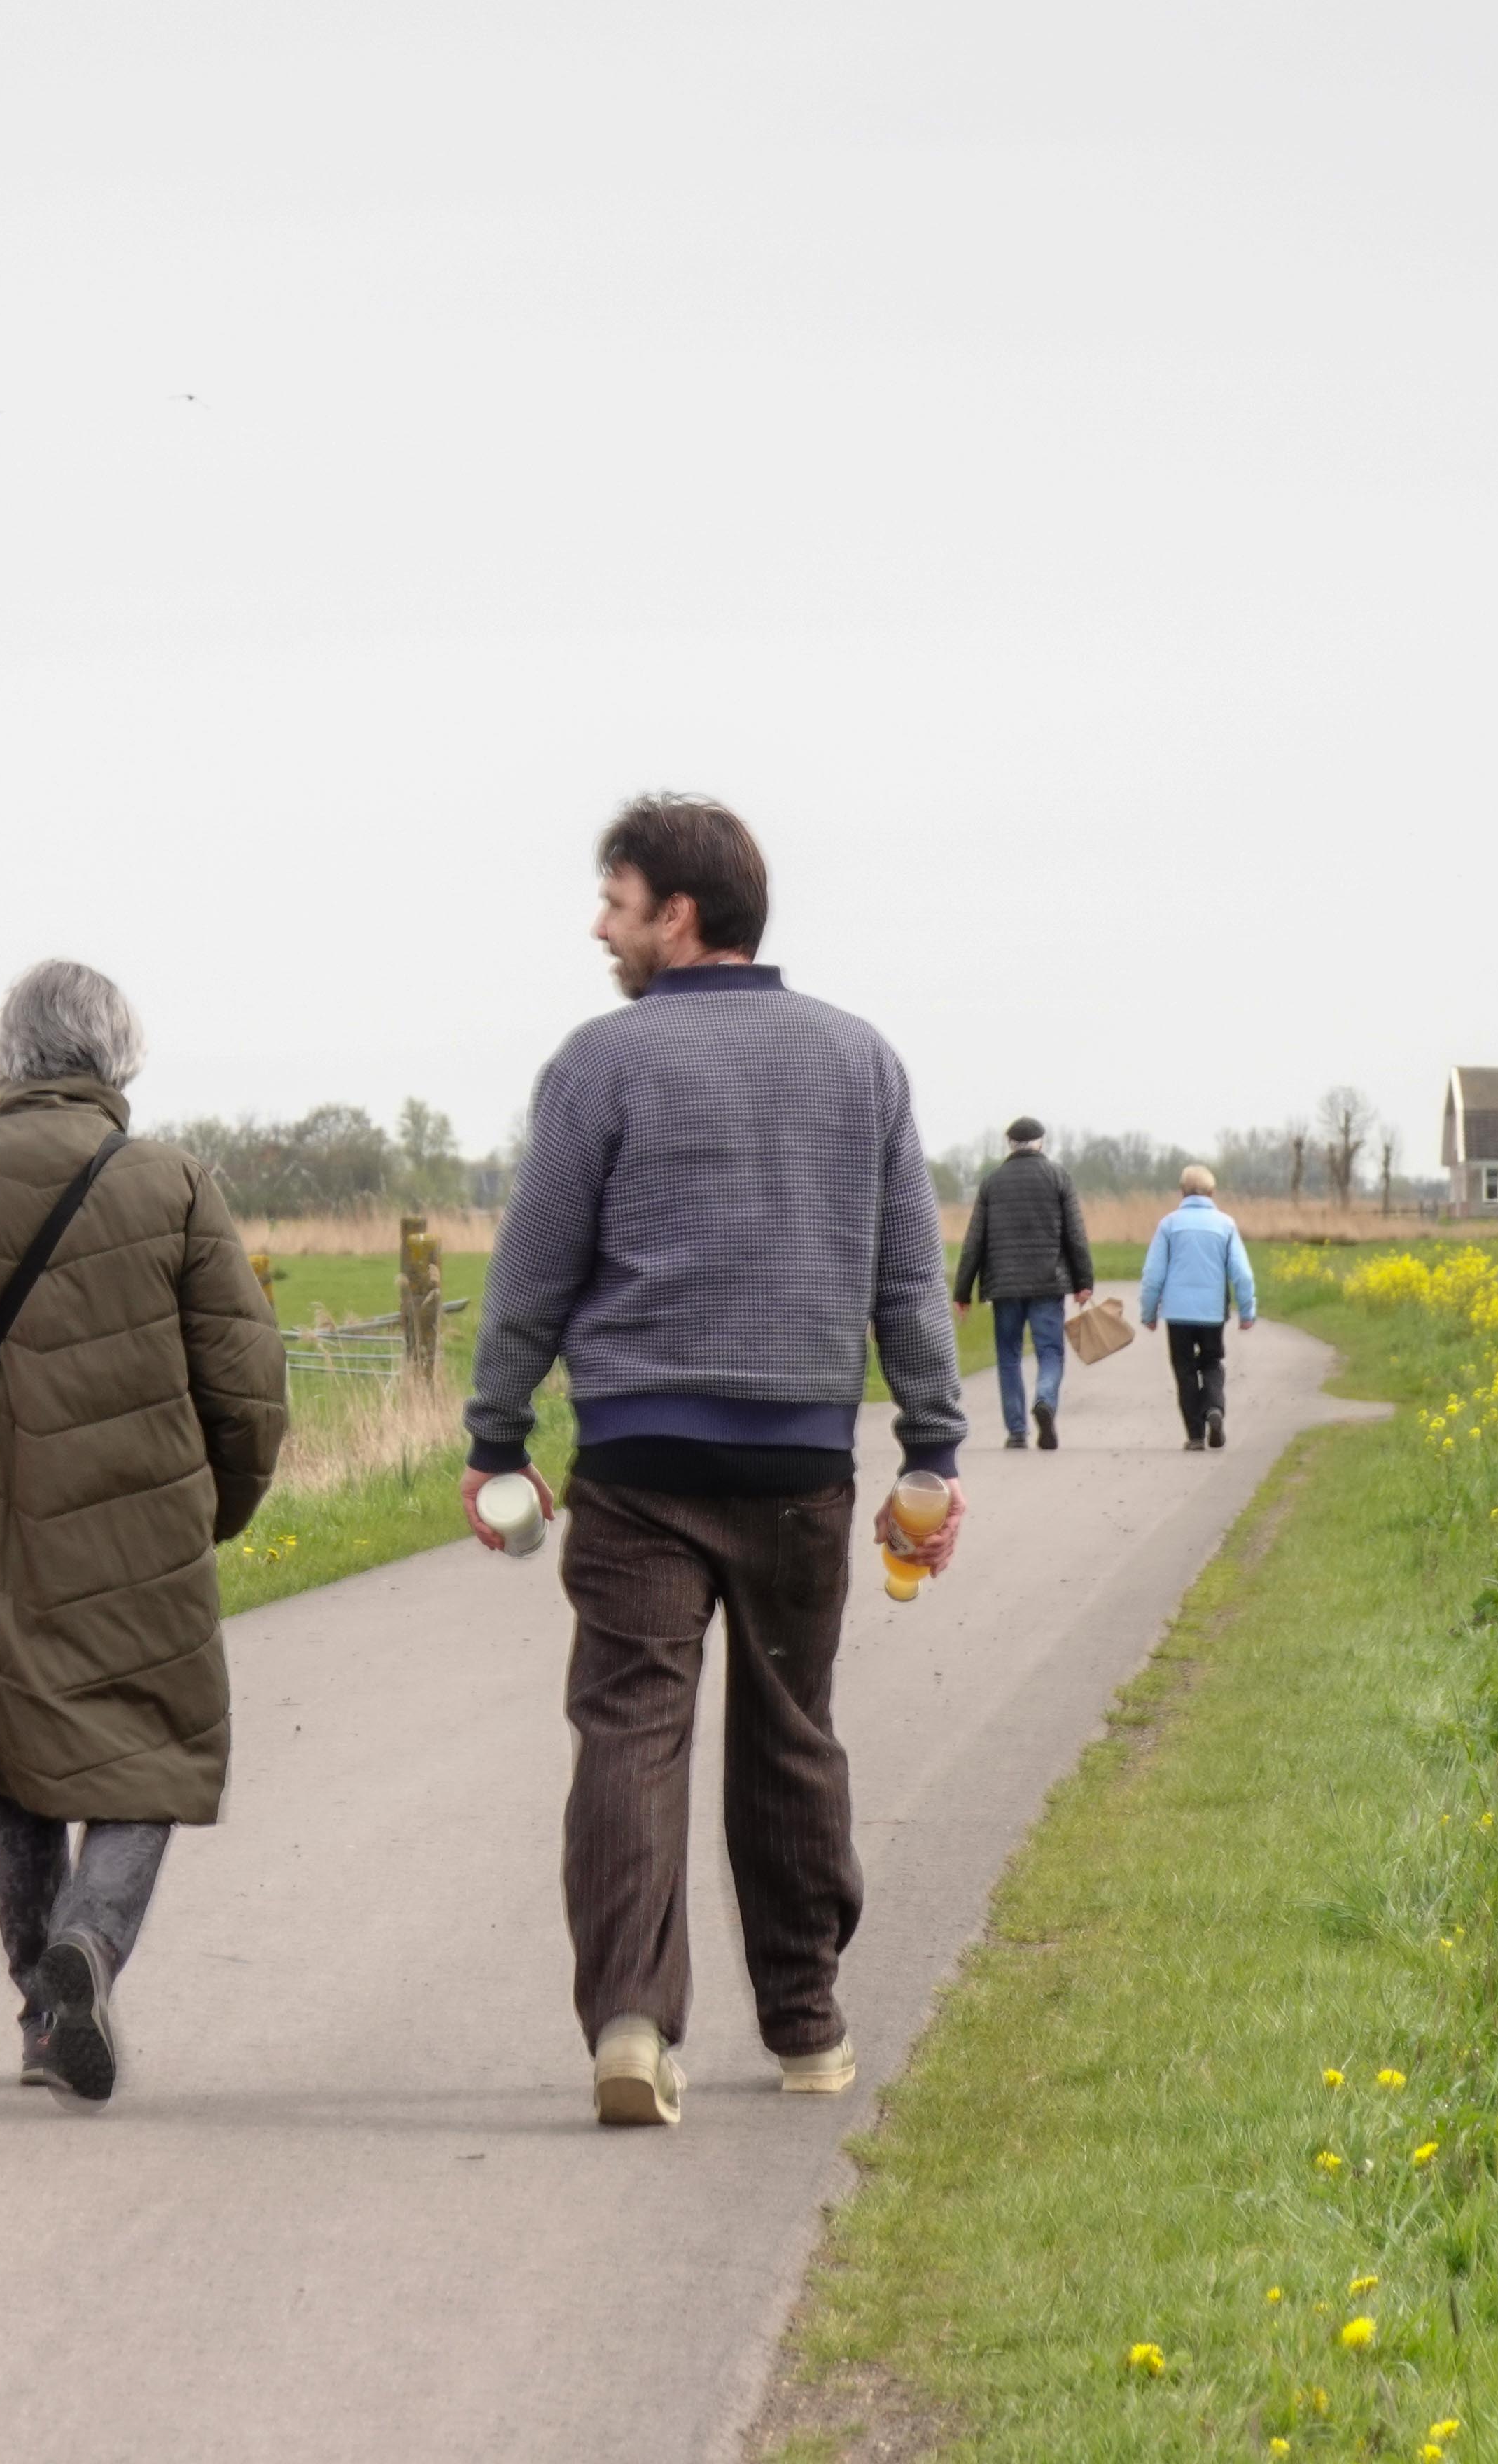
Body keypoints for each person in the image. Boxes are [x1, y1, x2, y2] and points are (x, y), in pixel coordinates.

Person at [461, 794, 967, 2128]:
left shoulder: (599, 1063)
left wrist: (496, 1435)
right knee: (790, 1730)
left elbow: (532, 1268)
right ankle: (806, 2025)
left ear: (677, 914)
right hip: (798, 1464)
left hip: (636, 1462)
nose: (600, 927)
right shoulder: (862, 1060)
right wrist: (930, 1446)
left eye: (616, 902)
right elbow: (909, 1279)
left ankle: (632, 2021)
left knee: (629, 1728)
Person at [0, 961, 287, 2105]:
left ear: (8, 1055)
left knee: (17, 1758)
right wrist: (217, 1511)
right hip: (149, 1531)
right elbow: (246, 1392)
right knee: (157, 1746)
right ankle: (89, 1940)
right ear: (116, 1056)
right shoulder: (173, 1185)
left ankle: (44, 2017)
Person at [950, 1116, 1094, 1450]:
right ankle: (1045, 1400)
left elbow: (974, 1241)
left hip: (1004, 1287)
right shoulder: (1058, 1176)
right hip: (1048, 1283)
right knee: (1050, 1351)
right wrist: (1083, 1281)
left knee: (1009, 1356)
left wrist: (962, 1291)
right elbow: (1075, 1234)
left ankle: (1017, 1431)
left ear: (1010, 1144)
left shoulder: (992, 1182)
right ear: (1040, 1142)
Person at [1139, 1164, 1259, 1452]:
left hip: (1178, 1313)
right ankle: (1214, 1407)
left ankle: (1195, 1435)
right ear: (1212, 1192)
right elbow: (1242, 1274)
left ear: (1182, 1192)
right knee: (1212, 1362)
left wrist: (1149, 1312)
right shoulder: (1225, 1225)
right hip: (1212, 1312)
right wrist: (1247, 1311)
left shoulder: (1169, 1225)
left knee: (1184, 1369)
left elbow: (1153, 1275)